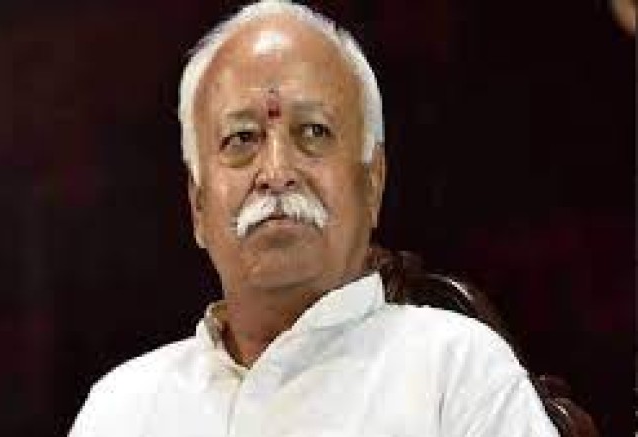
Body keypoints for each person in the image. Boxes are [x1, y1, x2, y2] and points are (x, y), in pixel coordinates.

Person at [69, 1, 559, 435]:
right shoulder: (123, 408)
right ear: (197, 206)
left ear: (373, 183)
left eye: (314, 132)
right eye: (242, 139)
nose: (276, 173)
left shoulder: (456, 370)